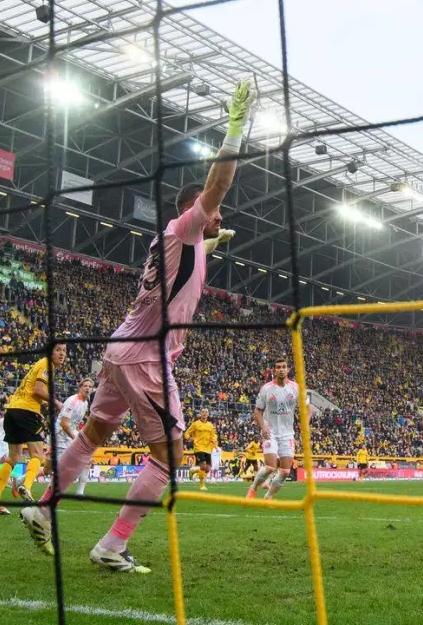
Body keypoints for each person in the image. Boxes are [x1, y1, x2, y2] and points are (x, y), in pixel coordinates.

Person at [21, 77, 253, 575]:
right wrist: (235, 130)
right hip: (148, 356)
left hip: (121, 349)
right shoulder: (186, 226)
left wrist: (214, 242)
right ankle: (111, 545)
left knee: (93, 434)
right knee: (171, 456)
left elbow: (188, 264)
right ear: (196, 211)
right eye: (214, 215)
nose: (219, 217)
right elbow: (218, 186)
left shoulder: (177, 242)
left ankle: (41, 507)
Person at [0, 343, 68, 514]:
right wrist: (56, 403)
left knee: (13, 458)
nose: (62, 354)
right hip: (26, 410)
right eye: (58, 350)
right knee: (37, 455)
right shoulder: (47, 365)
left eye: (64, 351)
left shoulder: (39, 364)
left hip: (12, 410)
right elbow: (38, 390)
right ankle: (25, 487)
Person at [248, 357, 311, 500]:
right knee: (270, 467)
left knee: (285, 471)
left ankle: (268, 496)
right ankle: (253, 488)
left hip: (287, 434)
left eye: (284, 367)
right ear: (274, 370)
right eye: (278, 367)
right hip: (270, 432)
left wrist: (305, 424)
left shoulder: (296, 388)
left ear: (288, 369)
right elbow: (257, 410)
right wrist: (263, 426)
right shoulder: (266, 389)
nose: (281, 369)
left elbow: (307, 409)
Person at [57, 379, 94, 496]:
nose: (88, 388)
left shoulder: (85, 402)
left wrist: (79, 435)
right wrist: (75, 438)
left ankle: (80, 493)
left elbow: (74, 424)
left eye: (90, 386)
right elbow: (64, 424)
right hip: (59, 435)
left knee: (86, 459)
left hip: (70, 433)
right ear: (80, 387)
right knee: (57, 468)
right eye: (85, 386)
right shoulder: (72, 401)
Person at [188, 408, 218, 491]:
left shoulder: (210, 425)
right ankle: (202, 485)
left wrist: (214, 440)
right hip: (198, 447)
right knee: (203, 466)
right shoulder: (195, 424)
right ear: (200, 414)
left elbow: (213, 435)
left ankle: (193, 471)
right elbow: (187, 433)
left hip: (208, 448)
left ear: (208, 414)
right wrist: (189, 438)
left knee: (207, 469)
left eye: (206, 412)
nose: (205, 413)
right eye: (203, 412)